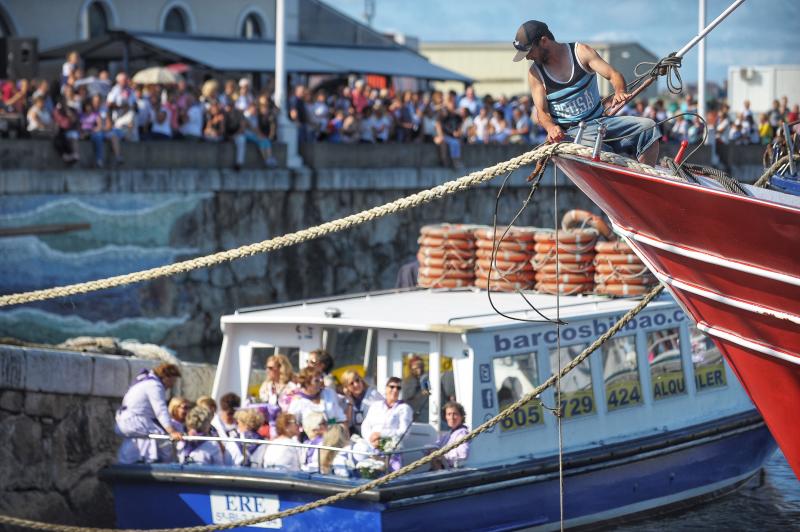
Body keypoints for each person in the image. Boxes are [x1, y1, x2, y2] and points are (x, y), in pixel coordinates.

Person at [513, 20, 659, 165]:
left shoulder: (581, 52)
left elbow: (614, 75)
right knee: (601, 152)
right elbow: (541, 112)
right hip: (571, 134)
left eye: (529, 51)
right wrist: (551, 128)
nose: (527, 57)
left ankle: (643, 179)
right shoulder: (535, 73)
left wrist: (620, 91)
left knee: (648, 128)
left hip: (602, 122)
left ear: (544, 41)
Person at [115, 363, 182, 464]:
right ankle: (167, 465)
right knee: (163, 438)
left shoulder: (143, 382)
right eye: (173, 380)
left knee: (146, 438)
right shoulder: (155, 386)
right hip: (136, 422)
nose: (172, 385)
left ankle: (129, 460)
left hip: (125, 421)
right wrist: (172, 431)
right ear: (166, 377)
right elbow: (160, 410)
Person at [360, 377, 413, 471]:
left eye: (398, 388)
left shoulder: (404, 408)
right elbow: (365, 426)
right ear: (386, 388)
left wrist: (381, 434)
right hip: (372, 445)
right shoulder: (376, 405)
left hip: (391, 446)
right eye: (392, 387)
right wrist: (371, 440)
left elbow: (404, 432)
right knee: (359, 449)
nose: (395, 390)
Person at [288, 368, 346, 433]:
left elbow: (341, 419)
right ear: (307, 383)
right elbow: (292, 427)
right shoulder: (298, 402)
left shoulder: (329, 393)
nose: (321, 381)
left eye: (321, 378)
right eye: (316, 380)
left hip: (334, 435)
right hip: (311, 440)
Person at [341, 370, 383, 436]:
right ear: (346, 387)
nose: (356, 384)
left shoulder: (374, 395)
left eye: (357, 380)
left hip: (377, 435)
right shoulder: (345, 401)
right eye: (351, 383)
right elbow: (347, 424)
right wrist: (350, 403)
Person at [430, 401, 470, 470]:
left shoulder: (462, 433)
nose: (451, 417)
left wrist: (443, 456)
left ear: (461, 416)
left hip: (452, 470)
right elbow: (436, 445)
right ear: (445, 416)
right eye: (449, 414)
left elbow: (463, 453)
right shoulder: (448, 434)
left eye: (455, 414)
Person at [402, 356, 430, 422]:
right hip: (412, 414)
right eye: (416, 367)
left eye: (421, 366)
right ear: (411, 368)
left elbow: (428, 393)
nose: (419, 370)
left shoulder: (425, 379)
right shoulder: (408, 381)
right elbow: (407, 396)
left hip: (425, 413)